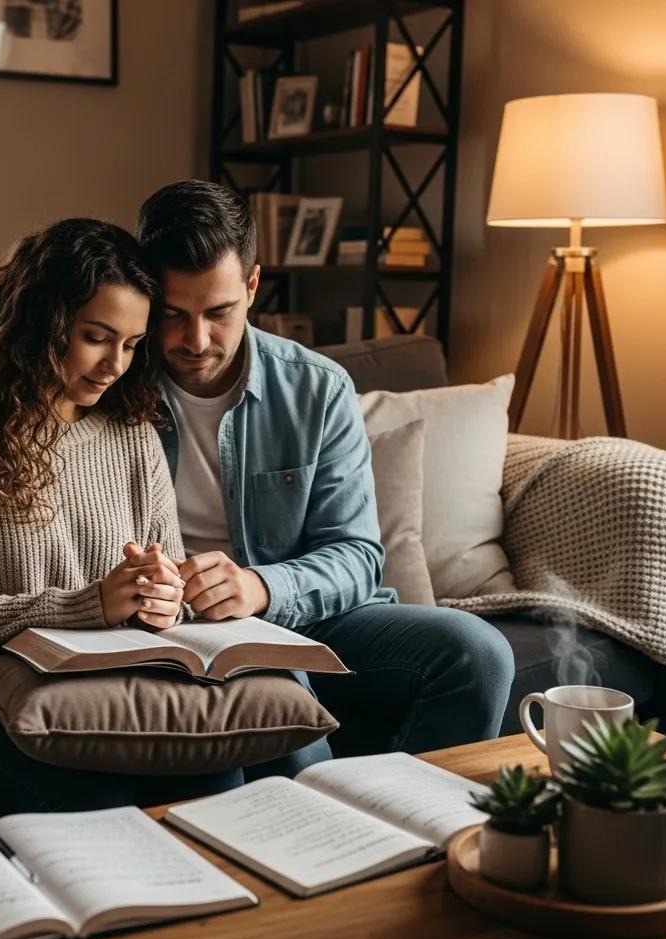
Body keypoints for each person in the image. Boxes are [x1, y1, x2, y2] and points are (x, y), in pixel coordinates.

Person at [0, 218, 249, 820]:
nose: (114, 366)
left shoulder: (132, 435)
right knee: (93, 801)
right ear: (40, 324)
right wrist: (87, 606)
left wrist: (162, 597)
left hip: (93, 688)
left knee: (220, 773)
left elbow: (166, 584)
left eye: (131, 345)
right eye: (96, 337)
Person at [133, 180, 514, 754]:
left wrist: (260, 585)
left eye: (219, 312)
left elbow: (358, 557)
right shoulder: (112, 378)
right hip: (173, 626)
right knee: (285, 701)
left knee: (479, 653)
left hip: (301, 613)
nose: (196, 340)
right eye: (173, 314)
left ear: (254, 285)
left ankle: (414, 826)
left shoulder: (317, 388)